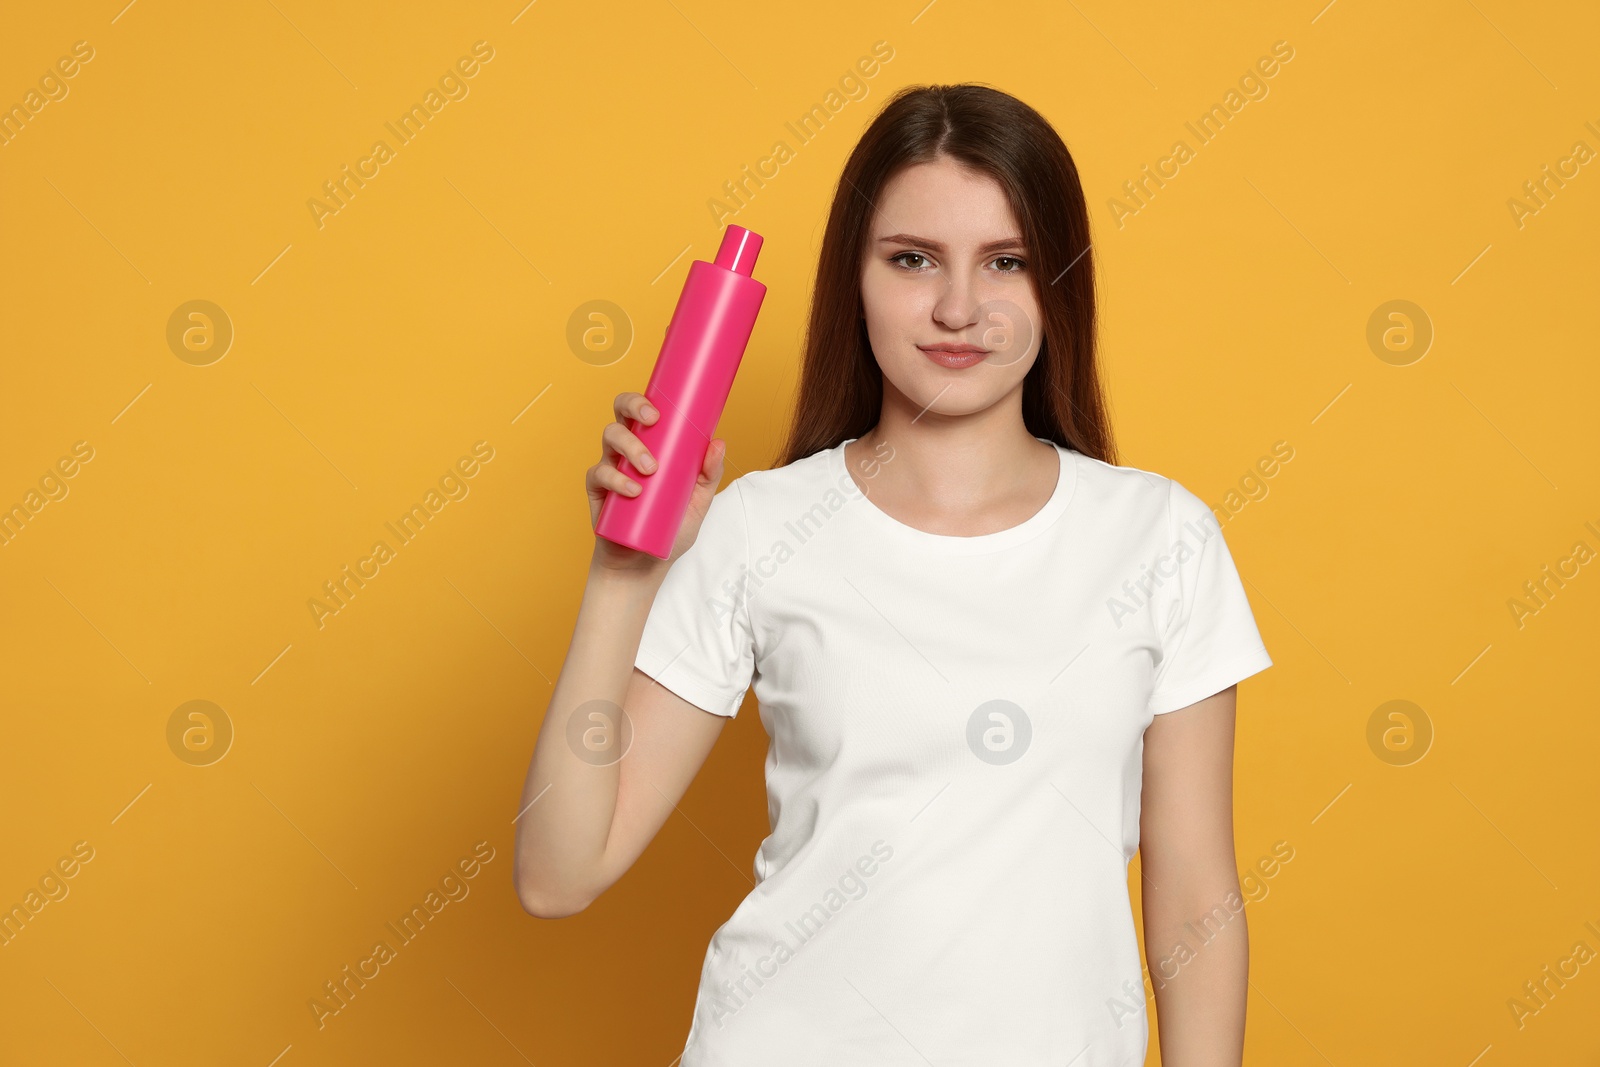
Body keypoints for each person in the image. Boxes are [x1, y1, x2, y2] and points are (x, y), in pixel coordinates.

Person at [514, 83, 1273, 1066]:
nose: (958, 307)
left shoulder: (1160, 536)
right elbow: (558, 873)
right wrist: (623, 574)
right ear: (853, 278)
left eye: (1006, 262)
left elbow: (1192, 899)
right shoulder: (758, 526)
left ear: (1060, 285)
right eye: (911, 259)